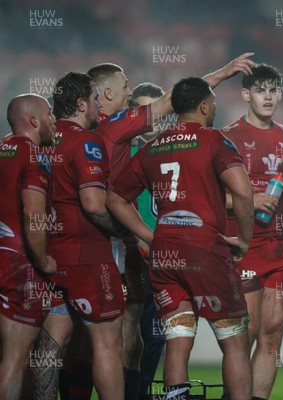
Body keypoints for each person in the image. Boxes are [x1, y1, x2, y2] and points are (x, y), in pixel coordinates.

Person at [81, 53, 257, 399]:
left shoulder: (151, 147)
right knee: (235, 339)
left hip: (164, 255)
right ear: (205, 107)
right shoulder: (214, 140)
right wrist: (245, 240)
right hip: (205, 249)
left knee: (177, 340)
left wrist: (150, 236)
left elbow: (115, 198)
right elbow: (243, 191)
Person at [31, 72, 127, 400]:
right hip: (87, 257)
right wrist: (123, 232)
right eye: (96, 98)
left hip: (46, 256)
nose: (100, 106)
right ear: (81, 103)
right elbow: (94, 204)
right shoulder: (87, 140)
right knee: (107, 344)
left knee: (51, 343)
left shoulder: (39, 138)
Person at [221, 64, 283, 400]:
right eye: (260, 90)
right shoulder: (228, 136)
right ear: (246, 95)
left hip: (280, 250)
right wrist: (248, 198)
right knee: (248, 332)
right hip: (243, 247)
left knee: (273, 334)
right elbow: (212, 196)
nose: (268, 96)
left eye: (273, 89)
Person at [0, 94, 57, 400]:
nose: (53, 122)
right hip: (18, 265)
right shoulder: (34, 155)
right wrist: (43, 259)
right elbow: (33, 212)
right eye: (49, 115)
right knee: (15, 360)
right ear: (34, 121)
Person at [130, 82, 167, 399]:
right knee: (128, 336)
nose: (152, 119)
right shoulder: (122, 151)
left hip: (167, 260)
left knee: (157, 337)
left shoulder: (174, 149)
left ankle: (139, 393)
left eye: (158, 111)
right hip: (132, 257)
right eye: (145, 111)